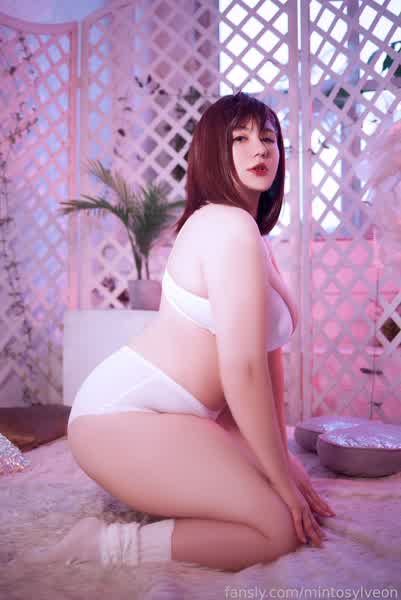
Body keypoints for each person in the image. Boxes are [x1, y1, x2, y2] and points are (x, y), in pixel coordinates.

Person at [25, 91, 335, 572]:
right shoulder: (225, 226)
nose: (260, 149)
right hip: (120, 416)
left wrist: (285, 461)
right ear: (212, 151)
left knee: (282, 500)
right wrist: (280, 479)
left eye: (269, 138)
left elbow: (267, 356)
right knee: (277, 527)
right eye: (240, 138)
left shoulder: (254, 236)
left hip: (184, 420)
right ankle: (103, 543)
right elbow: (242, 369)